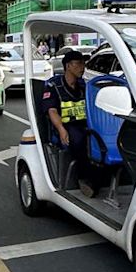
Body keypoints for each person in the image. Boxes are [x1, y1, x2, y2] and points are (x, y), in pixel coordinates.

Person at [42, 51, 99, 198]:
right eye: (78, 63)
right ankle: (83, 178)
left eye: (83, 63)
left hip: (86, 124)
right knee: (79, 140)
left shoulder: (83, 85)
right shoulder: (53, 85)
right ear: (68, 66)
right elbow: (52, 111)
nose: (83, 67)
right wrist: (61, 129)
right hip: (67, 126)